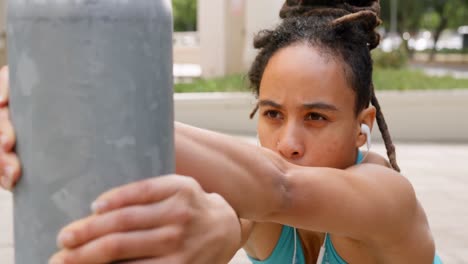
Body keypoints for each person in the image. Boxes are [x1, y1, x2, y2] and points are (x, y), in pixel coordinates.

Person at [0, 0, 442, 263]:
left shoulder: (389, 201)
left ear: (362, 127)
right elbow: (241, 207)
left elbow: (279, 188)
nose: (287, 143)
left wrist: (55, 104)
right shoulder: (263, 200)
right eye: (272, 114)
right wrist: (218, 226)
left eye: (316, 118)